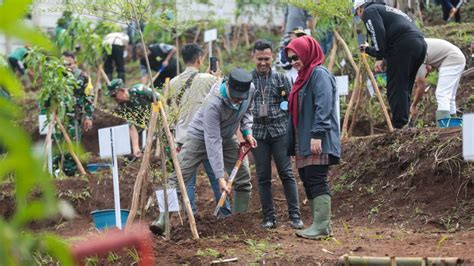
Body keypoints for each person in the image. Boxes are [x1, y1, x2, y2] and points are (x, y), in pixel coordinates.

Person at [150, 68, 257, 235]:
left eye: (240, 98)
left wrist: (247, 132)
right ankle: (163, 219)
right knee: (178, 176)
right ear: (227, 85)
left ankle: (238, 220)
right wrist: (220, 177)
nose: (237, 101)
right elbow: (212, 140)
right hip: (200, 135)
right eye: (234, 96)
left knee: (243, 176)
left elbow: (248, 112)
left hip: (228, 135)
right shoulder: (213, 102)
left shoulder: (250, 90)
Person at [285, 36, 341, 240]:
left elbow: (323, 106)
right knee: (307, 177)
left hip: (317, 137)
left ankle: (322, 226)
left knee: (316, 177)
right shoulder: (303, 77)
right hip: (304, 139)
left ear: (307, 53)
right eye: (290, 59)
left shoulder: (319, 74)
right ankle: (319, 224)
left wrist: (317, 134)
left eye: (296, 57)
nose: (293, 62)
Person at [169, 43, 231, 216]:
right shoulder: (208, 79)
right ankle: (225, 212)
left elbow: (172, 114)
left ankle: (190, 214)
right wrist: (217, 77)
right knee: (216, 175)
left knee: (186, 178)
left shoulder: (173, 83)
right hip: (205, 137)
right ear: (199, 59)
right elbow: (222, 98)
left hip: (183, 138)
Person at [250, 39, 303, 229]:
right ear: (253, 57)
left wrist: (294, 133)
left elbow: (291, 106)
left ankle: (295, 216)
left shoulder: (282, 79)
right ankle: (268, 217)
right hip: (257, 134)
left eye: (266, 58)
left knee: (286, 173)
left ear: (272, 57)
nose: (263, 63)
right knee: (263, 176)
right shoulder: (248, 80)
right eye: (259, 59)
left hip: (280, 132)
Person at [355, 0, 427, 129]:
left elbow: (378, 33)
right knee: (404, 87)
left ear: (360, 8)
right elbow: (389, 39)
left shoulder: (369, 11)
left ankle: (401, 126)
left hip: (403, 45)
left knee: (397, 87)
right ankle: (406, 125)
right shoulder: (387, 10)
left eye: (357, 14)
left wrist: (378, 56)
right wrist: (372, 51)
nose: (360, 18)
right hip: (419, 44)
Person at [51, 52, 94, 176]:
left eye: (69, 64)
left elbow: (89, 98)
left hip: (74, 117)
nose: (67, 67)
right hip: (58, 117)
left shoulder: (82, 77)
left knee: (72, 145)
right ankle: (55, 172)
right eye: (64, 64)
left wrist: (88, 117)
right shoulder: (57, 76)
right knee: (57, 145)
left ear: (75, 63)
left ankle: (70, 174)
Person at [410, 38, 466, 125]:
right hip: (457, 57)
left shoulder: (415, 54)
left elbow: (421, 84)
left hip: (452, 58)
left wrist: (413, 105)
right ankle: (453, 126)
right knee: (449, 96)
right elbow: (429, 67)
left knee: (442, 94)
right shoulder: (415, 44)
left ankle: (444, 126)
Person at [107, 79, 158, 158]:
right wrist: (136, 148)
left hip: (159, 118)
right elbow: (131, 126)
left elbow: (160, 99)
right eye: (111, 96)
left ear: (122, 90)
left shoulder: (139, 90)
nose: (114, 98)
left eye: (114, 95)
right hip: (145, 124)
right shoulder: (123, 107)